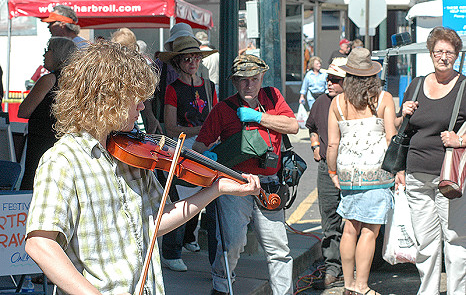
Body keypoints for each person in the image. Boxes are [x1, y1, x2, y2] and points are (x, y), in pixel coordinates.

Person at [24, 41, 261, 295]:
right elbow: (40, 244)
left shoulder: (132, 157)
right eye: (134, 98)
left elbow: (156, 221)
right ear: (106, 99)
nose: (141, 106)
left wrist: (215, 190)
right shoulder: (62, 161)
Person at [193, 54, 299, 295]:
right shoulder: (222, 109)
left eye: (253, 78)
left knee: (279, 249)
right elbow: (199, 145)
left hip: (269, 185)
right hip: (234, 184)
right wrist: (209, 156)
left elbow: (293, 126)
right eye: (242, 80)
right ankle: (221, 287)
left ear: (262, 77)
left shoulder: (272, 97)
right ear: (234, 82)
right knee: (232, 244)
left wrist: (259, 117)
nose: (248, 84)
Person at [396, 26, 466, 295]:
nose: (443, 56)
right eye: (439, 51)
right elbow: (401, 128)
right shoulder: (416, 85)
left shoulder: (463, 86)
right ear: (430, 53)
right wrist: (403, 113)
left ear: (456, 55)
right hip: (416, 175)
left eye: (449, 52)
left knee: (455, 240)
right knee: (425, 242)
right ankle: (428, 291)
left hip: (450, 177)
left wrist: (460, 141)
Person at [327, 48, 396, 295]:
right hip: (376, 173)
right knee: (369, 230)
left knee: (349, 227)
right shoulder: (383, 98)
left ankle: (347, 284)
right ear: (372, 75)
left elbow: (333, 143)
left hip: (347, 173)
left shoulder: (337, 103)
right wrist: (398, 171)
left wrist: (333, 172)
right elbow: (391, 138)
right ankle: (362, 285)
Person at [157, 35, 218, 272]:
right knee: (180, 200)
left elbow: (214, 117)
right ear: (178, 62)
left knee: (208, 197)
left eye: (196, 57)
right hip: (182, 149)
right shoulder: (172, 89)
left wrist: (208, 134)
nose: (193, 62)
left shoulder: (209, 86)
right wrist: (201, 130)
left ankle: (190, 240)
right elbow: (170, 126)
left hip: (207, 147)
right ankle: (171, 252)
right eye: (187, 58)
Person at [305, 57, 347, 290]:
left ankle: (351, 269)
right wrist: (314, 146)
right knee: (330, 216)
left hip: (350, 166)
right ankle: (332, 267)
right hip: (326, 167)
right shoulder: (321, 102)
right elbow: (311, 127)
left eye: (335, 80)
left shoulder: (353, 103)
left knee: (351, 219)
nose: (329, 83)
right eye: (328, 78)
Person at [18, 37, 77, 190]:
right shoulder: (77, 82)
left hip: (41, 146)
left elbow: (23, 111)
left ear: (58, 53)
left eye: (48, 50)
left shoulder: (49, 80)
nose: (44, 55)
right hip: (66, 145)